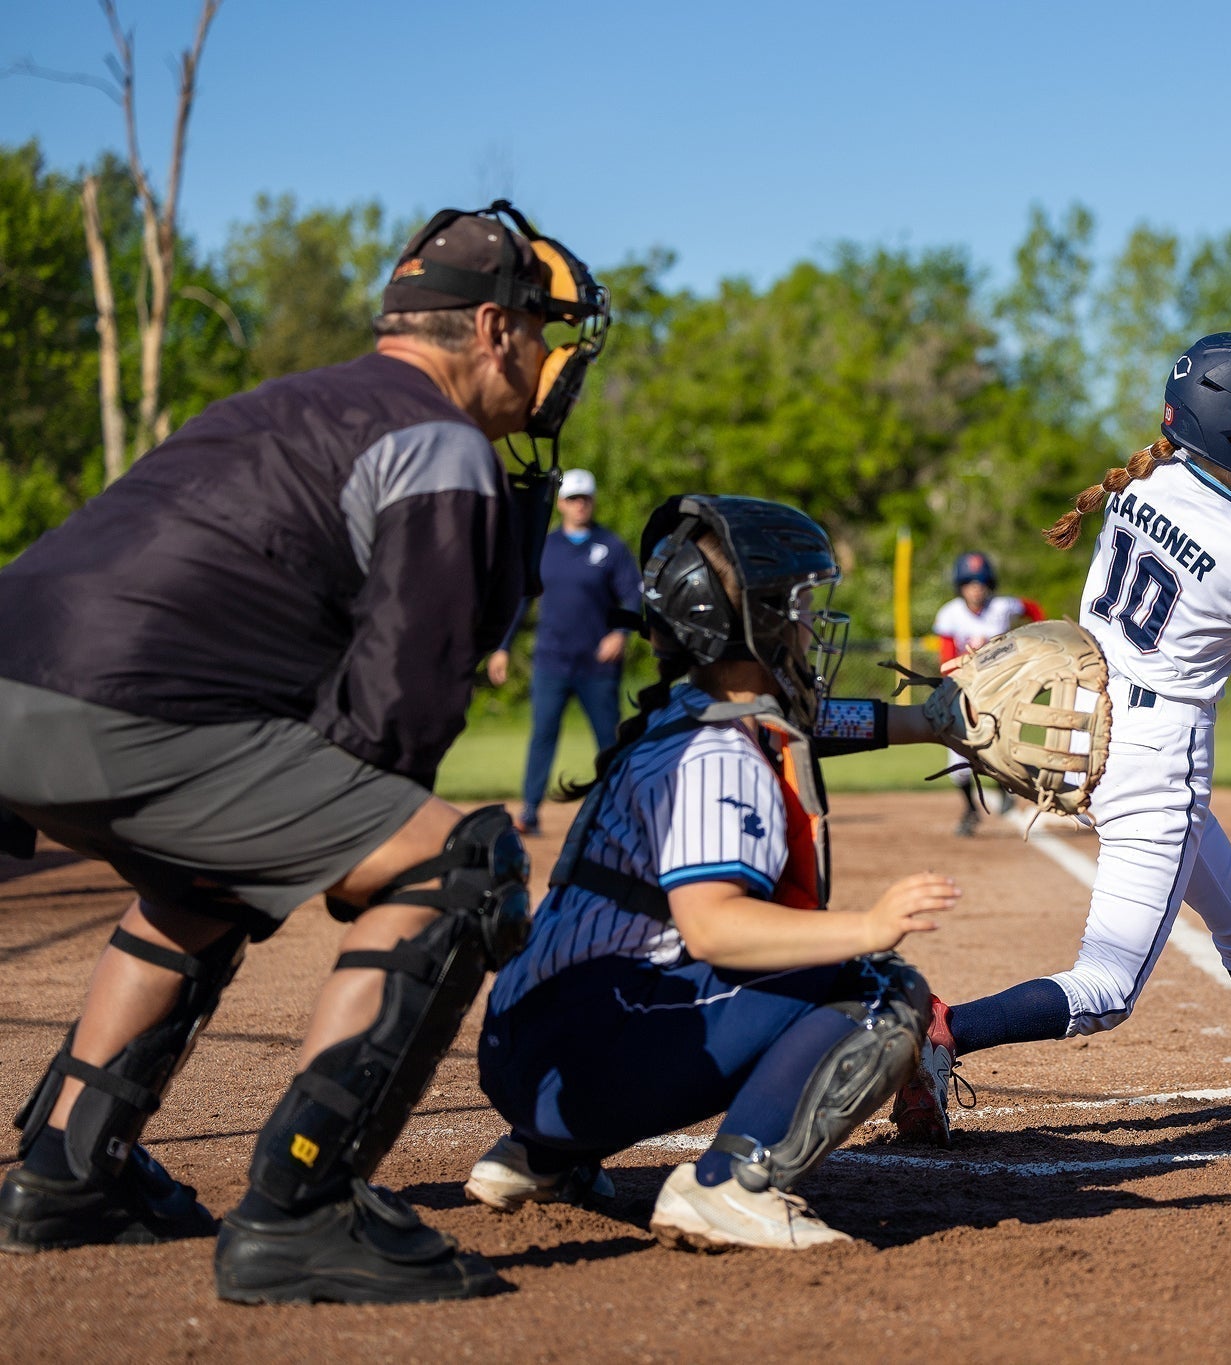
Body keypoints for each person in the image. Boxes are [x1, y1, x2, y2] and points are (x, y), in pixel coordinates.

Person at [0, 201, 609, 1304]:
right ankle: (304, 1210)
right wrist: (368, 848)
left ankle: (66, 1172)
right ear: (490, 327)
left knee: (212, 870)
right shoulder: (439, 440)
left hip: (22, 684)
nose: (554, 362)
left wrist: (272, 838)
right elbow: (397, 719)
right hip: (124, 709)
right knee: (457, 863)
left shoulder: (284, 402)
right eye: (545, 332)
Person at [890, 332, 1231, 1146]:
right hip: (1158, 760)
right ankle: (942, 1030)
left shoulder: (1143, 481)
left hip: (1091, 723)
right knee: (1107, 986)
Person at [463, 495, 959, 1250]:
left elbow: (814, 723)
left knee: (675, 957)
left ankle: (542, 1155)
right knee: (879, 987)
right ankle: (733, 1185)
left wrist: (930, 722)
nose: (808, 623)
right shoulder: (721, 757)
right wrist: (868, 925)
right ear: (750, 620)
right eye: (795, 605)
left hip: (537, 1047)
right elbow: (712, 923)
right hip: (585, 1057)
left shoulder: (685, 713)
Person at [486, 468, 639, 834]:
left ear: (593, 501)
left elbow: (632, 595)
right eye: (572, 498)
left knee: (607, 738)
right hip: (552, 660)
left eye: (585, 498)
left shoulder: (610, 547)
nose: (579, 505)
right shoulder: (546, 546)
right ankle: (530, 811)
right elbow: (522, 600)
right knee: (543, 735)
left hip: (597, 664)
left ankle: (619, 811)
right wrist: (502, 647)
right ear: (560, 503)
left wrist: (620, 632)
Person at [932, 551, 1043, 835]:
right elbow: (945, 661)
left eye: (980, 582)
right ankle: (970, 809)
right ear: (960, 585)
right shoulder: (950, 613)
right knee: (958, 760)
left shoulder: (1003, 606)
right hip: (964, 689)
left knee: (1001, 745)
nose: (976, 588)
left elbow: (1033, 610)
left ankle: (1003, 789)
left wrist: (1036, 638)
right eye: (969, 582)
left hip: (1000, 689)